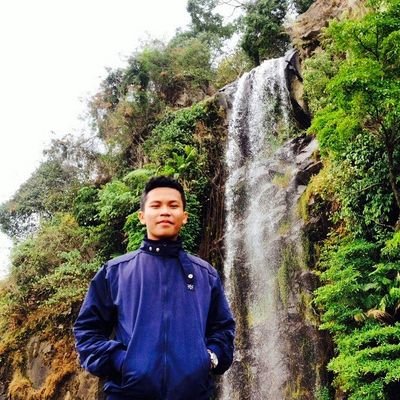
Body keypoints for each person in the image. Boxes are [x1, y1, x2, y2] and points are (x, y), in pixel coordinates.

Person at [73, 176, 235, 400]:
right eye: (156, 205)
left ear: (185, 217)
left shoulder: (205, 275)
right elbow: (87, 331)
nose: (165, 212)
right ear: (142, 216)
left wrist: (210, 358)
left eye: (173, 205)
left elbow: (223, 329)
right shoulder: (115, 272)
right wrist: (122, 361)